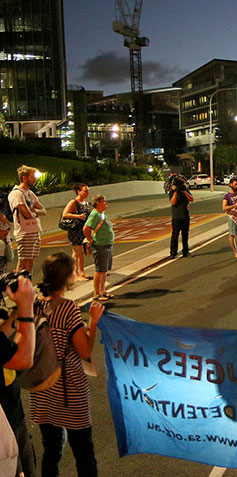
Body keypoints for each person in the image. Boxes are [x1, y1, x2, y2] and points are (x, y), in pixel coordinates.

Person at [32, 253, 105, 477]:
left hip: (42, 387)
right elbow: (84, 351)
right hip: (68, 389)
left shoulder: (33, 306)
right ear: (67, 278)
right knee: (83, 451)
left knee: (51, 450)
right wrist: (93, 321)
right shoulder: (68, 309)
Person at [1, 273, 37, 477]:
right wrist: (26, 309)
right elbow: (22, 359)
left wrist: (15, 314)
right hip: (6, 419)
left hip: (12, 410)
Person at [8, 165, 47, 273]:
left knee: (30, 263)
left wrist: (35, 212)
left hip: (35, 231)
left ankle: (27, 286)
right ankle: (19, 287)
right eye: (32, 177)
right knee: (23, 263)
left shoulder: (30, 194)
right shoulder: (16, 194)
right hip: (24, 232)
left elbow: (44, 211)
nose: (35, 179)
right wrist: (34, 212)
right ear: (24, 177)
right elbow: (27, 214)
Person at [83, 195, 115, 301]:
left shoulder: (102, 213)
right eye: (104, 201)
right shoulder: (95, 215)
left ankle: (102, 290)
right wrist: (90, 239)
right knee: (100, 270)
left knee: (104, 270)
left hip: (107, 244)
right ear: (98, 203)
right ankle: (96, 294)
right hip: (100, 245)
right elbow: (86, 228)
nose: (106, 203)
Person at [60, 183, 92, 281]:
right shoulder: (74, 202)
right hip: (75, 230)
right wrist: (78, 216)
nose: (87, 192)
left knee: (81, 252)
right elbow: (65, 214)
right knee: (77, 252)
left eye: (88, 190)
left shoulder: (85, 203)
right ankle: (75, 273)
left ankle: (82, 272)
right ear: (79, 192)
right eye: (85, 191)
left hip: (83, 230)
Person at [168, 175, 194, 258]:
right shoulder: (172, 192)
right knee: (175, 235)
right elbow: (173, 202)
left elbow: (191, 199)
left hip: (185, 215)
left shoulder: (185, 190)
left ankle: (185, 251)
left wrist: (184, 191)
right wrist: (176, 191)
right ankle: (173, 252)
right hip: (176, 216)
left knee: (185, 235)